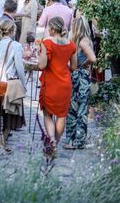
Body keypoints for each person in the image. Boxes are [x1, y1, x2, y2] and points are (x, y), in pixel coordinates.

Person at [37, 16, 78, 157]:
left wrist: (40, 54)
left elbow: (41, 65)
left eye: (49, 27)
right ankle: (56, 142)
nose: (48, 30)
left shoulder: (46, 43)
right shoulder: (71, 44)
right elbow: (74, 66)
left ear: (53, 29)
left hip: (51, 83)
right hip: (65, 84)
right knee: (62, 115)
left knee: (47, 113)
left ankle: (52, 139)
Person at [0, 18, 27, 152]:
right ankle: (3, 141)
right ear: (13, 31)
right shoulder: (16, 46)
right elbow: (20, 68)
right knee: (9, 113)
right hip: (8, 83)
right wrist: (23, 84)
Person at [65, 16, 97, 150]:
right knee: (80, 108)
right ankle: (78, 140)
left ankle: (72, 140)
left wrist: (84, 63)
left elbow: (92, 59)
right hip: (81, 76)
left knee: (73, 108)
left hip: (76, 75)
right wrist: (85, 64)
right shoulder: (84, 40)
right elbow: (93, 58)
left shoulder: (77, 41)